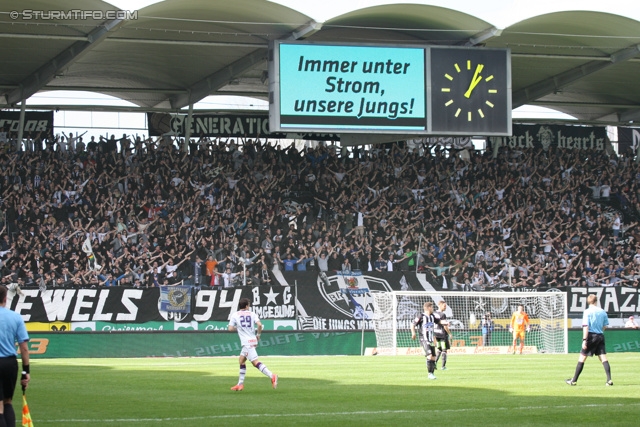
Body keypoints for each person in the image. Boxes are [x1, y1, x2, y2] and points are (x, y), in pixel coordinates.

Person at [228, 298, 278, 391]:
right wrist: (258, 335)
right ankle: (240, 384)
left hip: (246, 343)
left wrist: (238, 328)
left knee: (255, 362)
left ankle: (272, 376)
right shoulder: (252, 314)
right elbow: (259, 325)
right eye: (249, 304)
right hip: (252, 340)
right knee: (241, 360)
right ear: (246, 306)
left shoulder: (235, 315)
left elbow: (230, 329)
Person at [566, 294, 613, 386]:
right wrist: (599, 332)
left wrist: (584, 339)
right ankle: (609, 380)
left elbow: (586, 326)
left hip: (591, 336)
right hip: (600, 335)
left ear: (588, 301)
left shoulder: (587, 312)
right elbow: (605, 326)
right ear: (596, 301)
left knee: (582, 358)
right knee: (603, 358)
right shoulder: (602, 311)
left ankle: (574, 380)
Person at [0, 285, 31, 427]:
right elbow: (24, 348)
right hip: (10, 364)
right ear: (5, 299)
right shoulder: (15, 317)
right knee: (7, 402)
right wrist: (26, 372)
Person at [411, 301, 439, 380]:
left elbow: (439, 321)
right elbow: (413, 324)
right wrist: (413, 333)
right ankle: (429, 374)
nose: (433, 309)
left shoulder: (432, 316)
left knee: (433, 357)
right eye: (432, 307)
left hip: (431, 339)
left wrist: (446, 323)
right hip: (424, 339)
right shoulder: (421, 316)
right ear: (429, 308)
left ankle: (432, 373)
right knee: (430, 355)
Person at [433, 300, 451, 370]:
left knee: (439, 349)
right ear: (440, 305)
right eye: (444, 306)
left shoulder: (434, 313)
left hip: (436, 334)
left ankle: (434, 363)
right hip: (442, 334)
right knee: (444, 350)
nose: (445, 307)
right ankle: (443, 366)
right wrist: (449, 333)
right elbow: (445, 326)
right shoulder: (442, 315)